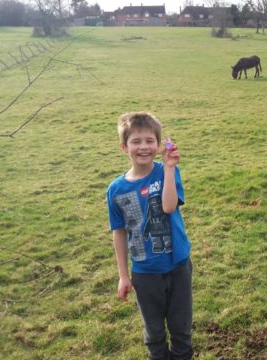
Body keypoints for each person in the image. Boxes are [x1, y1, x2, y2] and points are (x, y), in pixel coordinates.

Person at [106, 111, 193, 360]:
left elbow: (168, 206)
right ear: (124, 147)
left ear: (158, 144)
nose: (143, 147)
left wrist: (168, 169)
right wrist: (123, 275)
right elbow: (119, 232)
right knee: (154, 336)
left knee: (181, 333)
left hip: (178, 267)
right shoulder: (116, 189)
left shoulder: (167, 171)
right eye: (136, 141)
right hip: (145, 273)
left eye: (149, 141)